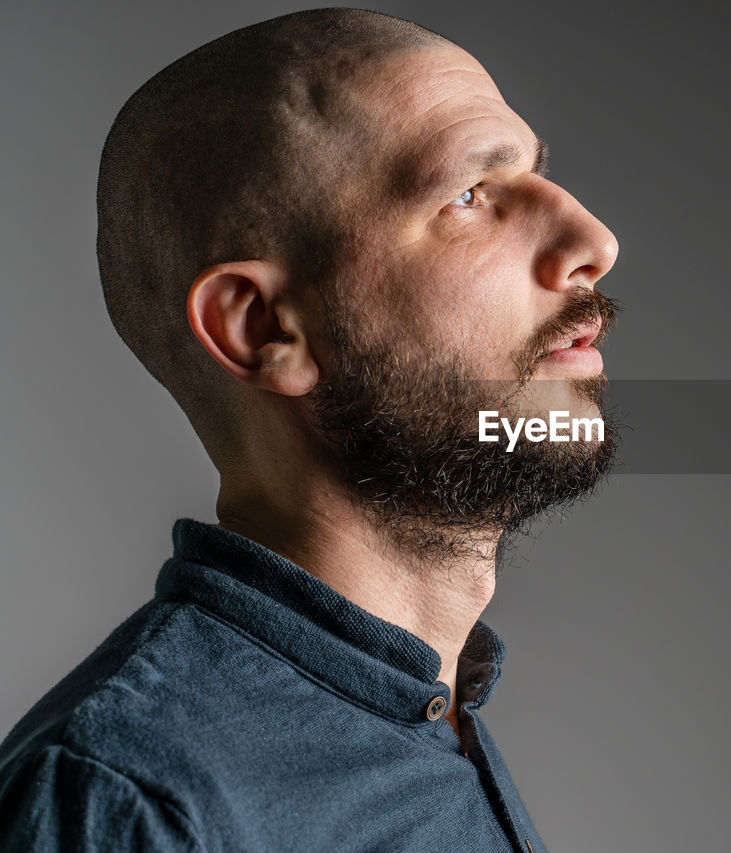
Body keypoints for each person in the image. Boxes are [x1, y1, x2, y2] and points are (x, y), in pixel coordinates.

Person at [0, 8, 620, 851]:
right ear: (263, 328)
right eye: (470, 196)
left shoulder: (431, 718)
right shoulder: (131, 800)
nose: (593, 241)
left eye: (538, 176)